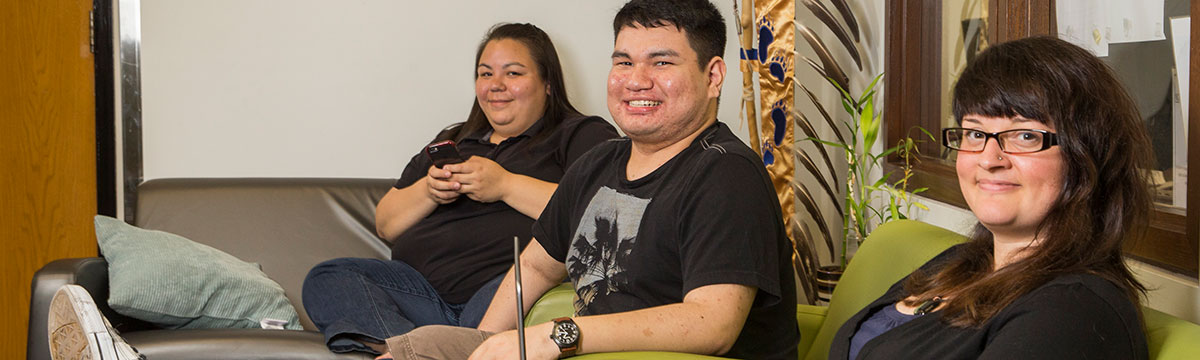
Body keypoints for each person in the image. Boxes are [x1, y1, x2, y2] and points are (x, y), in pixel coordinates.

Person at [379, 0, 799, 359]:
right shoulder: (599, 163)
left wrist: (557, 335)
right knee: (413, 350)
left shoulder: (725, 173)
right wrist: (485, 344)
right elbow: (536, 267)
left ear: (713, 76)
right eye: (623, 61)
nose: (636, 80)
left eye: (662, 62)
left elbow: (713, 323)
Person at [301, 23, 619, 355]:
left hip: (502, 288)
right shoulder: (455, 138)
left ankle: (422, 349)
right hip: (420, 295)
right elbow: (386, 224)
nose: (495, 85)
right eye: (485, 74)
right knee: (329, 276)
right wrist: (428, 190)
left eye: (512, 73)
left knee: (519, 287)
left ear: (548, 83)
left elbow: (602, 214)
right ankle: (424, 348)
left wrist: (505, 185)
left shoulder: (579, 134)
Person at [829, 36, 1151, 359]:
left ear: (1086, 156)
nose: (988, 159)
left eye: (1025, 135)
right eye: (975, 133)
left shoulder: (1073, 314)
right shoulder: (964, 262)